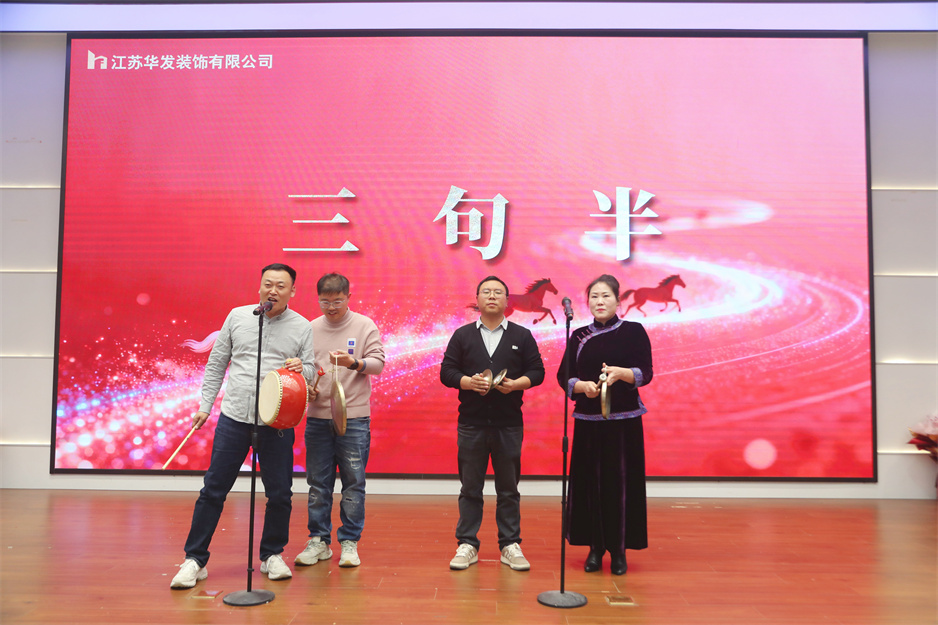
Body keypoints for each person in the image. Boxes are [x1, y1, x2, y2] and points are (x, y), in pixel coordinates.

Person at [170, 263, 315, 589]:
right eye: (268, 284)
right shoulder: (237, 317)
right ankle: (194, 559)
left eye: (281, 286)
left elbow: (310, 370)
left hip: (276, 421)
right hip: (234, 418)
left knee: (280, 494)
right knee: (213, 489)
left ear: (292, 292)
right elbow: (216, 363)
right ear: (259, 287)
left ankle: (271, 554)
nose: (273, 291)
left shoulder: (302, 326)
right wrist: (205, 406)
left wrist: (301, 367)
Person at [440, 276, 545, 571]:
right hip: (471, 423)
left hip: (508, 424)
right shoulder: (462, 335)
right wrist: (467, 382)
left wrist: (517, 384)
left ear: (507, 300)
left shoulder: (522, 335)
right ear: (477, 299)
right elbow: (446, 371)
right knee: (470, 488)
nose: (491, 296)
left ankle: (509, 544)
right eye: (486, 291)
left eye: (498, 292)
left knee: (508, 489)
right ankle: (467, 544)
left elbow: (537, 371)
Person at [556, 274, 653, 576]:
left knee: (620, 485)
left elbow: (646, 372)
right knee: (590, 485)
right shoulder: (579, 335)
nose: (600, 301)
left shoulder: (634, 331)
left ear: (618, 300)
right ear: (588, 302)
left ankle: (619, 549)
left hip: (624, 422)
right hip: (588, 421)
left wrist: (623, 373)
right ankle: (595, 548)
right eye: (594, 296)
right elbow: (564, 376)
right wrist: (582, 386)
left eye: (606, 296)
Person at [295, 273, 385, 569]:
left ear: (348, 297)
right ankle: (318, 541)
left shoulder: (364, 325)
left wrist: (353, 363)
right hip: (317, 417)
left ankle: (349, 542)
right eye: (325, 302)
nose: (331, 307)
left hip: (354, 418)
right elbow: (305, 369)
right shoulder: (310, 328)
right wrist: (306, 387)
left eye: (337, 301)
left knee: (353, 483)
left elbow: (378, 364)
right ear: (317, 299)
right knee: (317, 484)